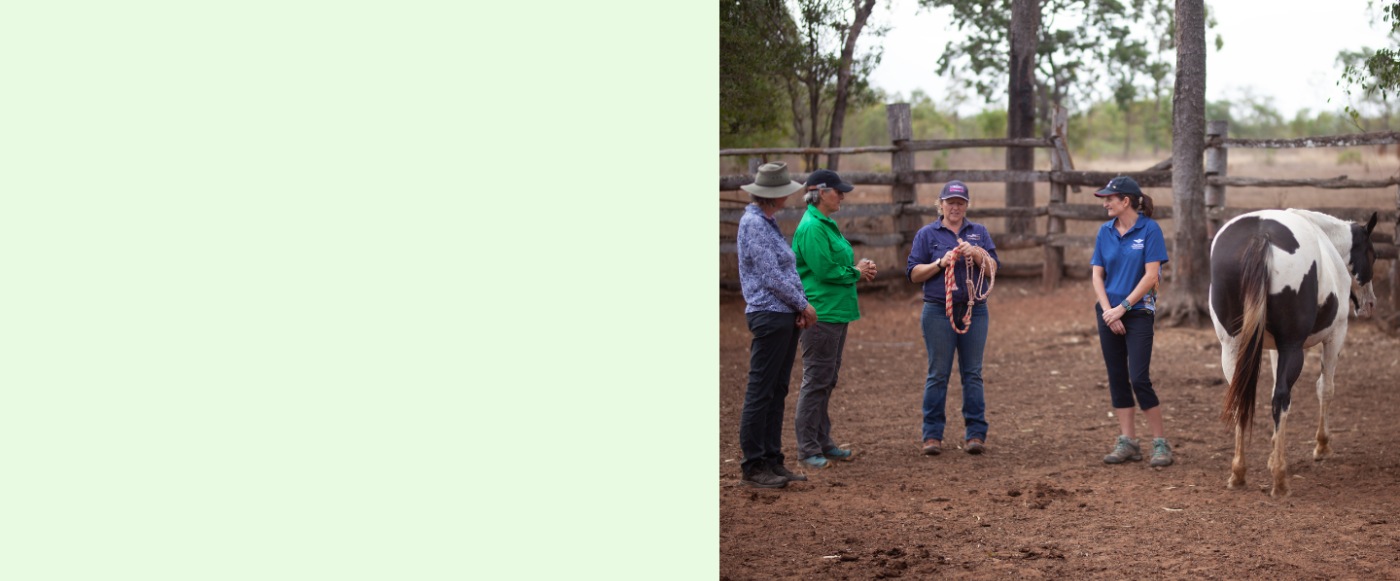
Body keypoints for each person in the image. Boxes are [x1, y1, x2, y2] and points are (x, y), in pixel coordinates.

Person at [736, 162, 819, 488]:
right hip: (769, 314)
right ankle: (753, 465)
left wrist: (798, 306)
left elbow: (787, 272)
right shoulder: (753, 224)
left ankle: (772, 459)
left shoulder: (766, 223)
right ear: (774, 195)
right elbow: (771, 275)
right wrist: (802, 304)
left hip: (782, 313)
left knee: (776, 389)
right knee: (761, 390)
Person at [905, 180, 999, 456]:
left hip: (974, 308)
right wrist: (940, 263)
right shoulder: (927, 234)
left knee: (973, 373)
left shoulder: (979, 233)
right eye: (950, 202)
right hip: (937, 310)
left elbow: (994, 267)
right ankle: (932, 434)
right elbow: (912, 274)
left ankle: (976, 433)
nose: (955, 207)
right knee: (938, 373)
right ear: (941, 204)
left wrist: (978, 255)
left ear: (966, 205)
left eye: (960, 202)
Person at [791, 169, 876, 470]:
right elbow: (826, 271)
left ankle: (822, 441)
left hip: (835, 312)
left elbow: (832, 265)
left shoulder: (826, 224)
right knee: (816, 380)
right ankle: (808, 447)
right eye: (837, 191)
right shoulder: (813, 228)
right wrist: (856, 272)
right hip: (821, 314)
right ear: (821, 192)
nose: (842, 195)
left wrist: (856, 269)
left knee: (826, 379)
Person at [1090, 176, 1173, 467]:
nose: (1105, 203)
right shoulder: (1104, 232)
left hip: (1138, 312)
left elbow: (1151, 276)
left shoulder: (1150, 230)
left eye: (1109, 198)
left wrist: (1123, 308)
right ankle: (1129, 442)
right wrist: (1107, 311)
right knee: (1117, 378)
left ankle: (1160, 443)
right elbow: (1097, 275)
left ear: (1125, 201)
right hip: (1108, 312)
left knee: (1139, 378)